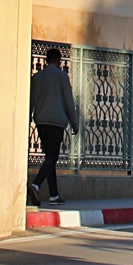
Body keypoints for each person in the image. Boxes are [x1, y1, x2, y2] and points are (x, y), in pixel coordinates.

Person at [30, 47, 81, 204]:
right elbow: (68, 101)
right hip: (56, 122)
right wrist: (74, 123)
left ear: (46, 60)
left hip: (40, 121)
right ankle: (36, 185)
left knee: (49, 158)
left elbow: (31, 100)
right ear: (58, 60)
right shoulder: (61, 77)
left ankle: (54, 195)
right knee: (52, 157)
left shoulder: (37, 77)